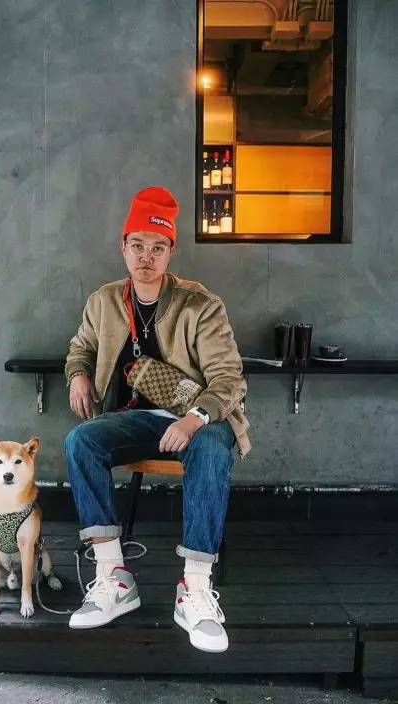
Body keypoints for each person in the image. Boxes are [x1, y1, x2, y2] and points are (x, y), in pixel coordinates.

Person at [63, 186, 250, 653]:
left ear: (170, 253)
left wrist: (193, 418)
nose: (146, 256)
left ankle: (195, 589)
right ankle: (113, 576)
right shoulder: (104, 300)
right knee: (80, 441)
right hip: (136, 419)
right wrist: (78, 374)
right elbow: (81, 346)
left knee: (212, 444)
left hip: (199, 417)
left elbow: (228, 378)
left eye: (158, 247)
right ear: (123, 247)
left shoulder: (200, 304)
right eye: (138, 245)